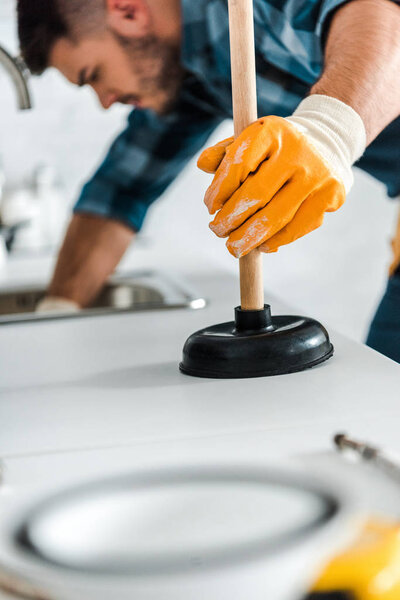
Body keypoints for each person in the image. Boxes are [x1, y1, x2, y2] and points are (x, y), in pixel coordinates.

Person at [17, 0, 400, 361]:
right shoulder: (190, 76)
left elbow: (382, 19)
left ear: (127, 11)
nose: (104, 100)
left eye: (93, 75)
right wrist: (58, 311)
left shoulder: (243, 7)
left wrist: (329, 131)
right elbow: (119, 191)